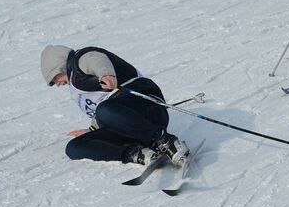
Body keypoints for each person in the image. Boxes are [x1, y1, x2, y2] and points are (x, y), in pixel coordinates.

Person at [40, 44, 187, 166]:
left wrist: (105, 74)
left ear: (58, 66)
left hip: (146, 109)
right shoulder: (75, 83)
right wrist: (92, 130)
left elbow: (95, 59)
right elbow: (102, 105)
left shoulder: (79, 60)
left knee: (104, 110)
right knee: (73, 147)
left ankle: (166, 142)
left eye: (53, 79)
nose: (56, 84)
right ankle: (135, 153)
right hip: (128, 127)